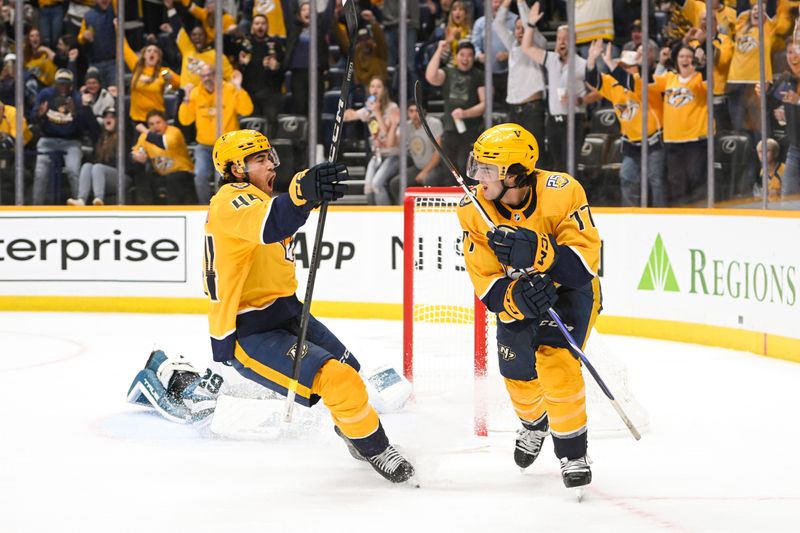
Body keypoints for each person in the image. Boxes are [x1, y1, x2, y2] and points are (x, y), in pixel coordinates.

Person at [203, 128, 416, 483]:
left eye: (270, 156)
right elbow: (273, 223)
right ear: (236, 169)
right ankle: (375, 447)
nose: (271, 164)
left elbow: (282, 213)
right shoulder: (230, 200)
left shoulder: (257, 199)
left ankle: (351, 431)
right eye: (259, 160)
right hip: (249, 330)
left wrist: (310, 195)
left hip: (287, 312)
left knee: (351, 370)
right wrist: (305, 189)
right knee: (340, 380)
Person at [457, 123, 601, 490]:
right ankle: (535, 424)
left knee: (557, 362)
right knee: (517, 377)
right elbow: (486, 284)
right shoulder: (473, 209)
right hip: (518, 295)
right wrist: (516, 297)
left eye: (488, 170)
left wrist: (542, 252)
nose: (478, 177)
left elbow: (583, 267)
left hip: (570, 292)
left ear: (517, 173)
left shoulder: (563, 191)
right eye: (477, 166)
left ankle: (572, 453)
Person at [521, 3, 601, 174]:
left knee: (571, 166)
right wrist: (530, 25)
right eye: (558, 39)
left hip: (574, 120)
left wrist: (579, 100)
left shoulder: (582, 65)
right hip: (553, 121)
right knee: (557, 166)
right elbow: (526, 48)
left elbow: (598, 92)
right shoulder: (550, 59)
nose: (561, 42)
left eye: (565, 39)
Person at [585, 41, 667, 207]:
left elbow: (628, 81)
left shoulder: (644, 82)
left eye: (627, 66)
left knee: (655, 180)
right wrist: (591, 61)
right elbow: (594, 80)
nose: (623, 68)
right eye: (621, 65)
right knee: (627, 177)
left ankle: (661, 214)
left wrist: (610, 63)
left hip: (654, 140)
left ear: (636, 67)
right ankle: (631, 215)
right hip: (631, 142)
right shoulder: (614, 85)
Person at [178, 64, 254, 204]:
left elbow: (247, 110)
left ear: (216, 76)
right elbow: (185, 120)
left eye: (210, 75)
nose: (207, 78)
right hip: (204, 146)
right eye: (203, 75)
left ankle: (223, 206)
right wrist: (186, 99)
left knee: (223, 177)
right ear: (200, 77)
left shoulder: (230, 89)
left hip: (227, 146)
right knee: (199, 175)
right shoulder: (195, 93)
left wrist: (238, 88)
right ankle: (205, 206)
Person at [650, 44, 709, 206]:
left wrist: (701, 65)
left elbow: (707, 87)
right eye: (681, 56)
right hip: (672, 139)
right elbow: (650, 83)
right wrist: (660, 63)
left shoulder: (699, 77)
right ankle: (679, 214)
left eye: (689, 56)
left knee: (695, 179)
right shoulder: (670, 78)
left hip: (696, 139)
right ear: (676, 60)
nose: (685, 60)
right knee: (675, 182)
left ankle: (699, 213)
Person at [425, 39, 486, 177]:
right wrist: (440, 49)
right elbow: (430, 77)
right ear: (456, 57)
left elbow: (485, 104)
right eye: (462, 55)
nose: (465, 58)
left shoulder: (479, 75)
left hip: (470, 130)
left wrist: (465, 113)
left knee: (465, 165)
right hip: (450, 129)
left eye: (469, 55)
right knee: (448, 168)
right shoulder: (448, 72)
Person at [343, 76, 400, 205]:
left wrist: (377, 112)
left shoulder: (393, 108)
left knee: (376, 184)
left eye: (378, 86)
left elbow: (386, 135)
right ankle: (373, 215)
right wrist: (347, 113)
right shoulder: (369, 109)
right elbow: (350, 116)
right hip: (378, 155)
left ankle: (385, 217)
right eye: (372, 86)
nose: (375, 89)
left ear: (384, 90)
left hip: (393, 155)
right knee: (368, 188)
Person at [132, 109, 197, 204]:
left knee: (173, 178)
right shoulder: (145, 136)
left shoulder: (174, 132)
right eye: (151, 124)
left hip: (183, 173)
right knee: (142, 177)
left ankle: (174, 212)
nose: (155, 126)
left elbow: (164, 143)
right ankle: (146, 210)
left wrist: (145, 130)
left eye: (158, 122)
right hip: (162, 174)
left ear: (165, 122)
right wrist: (136, 156)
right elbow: (135, 151)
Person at [67, 108, 127, 206]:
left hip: (122, 177)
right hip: (102, 177)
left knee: (98, 167)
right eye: (106, 117)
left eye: (112, 117)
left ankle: (99, 198)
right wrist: (85, 105)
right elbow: (91, 123)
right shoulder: (101, 137)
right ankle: (81, 199)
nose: (108, 119)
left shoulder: (124, 135)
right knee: (87, 166)